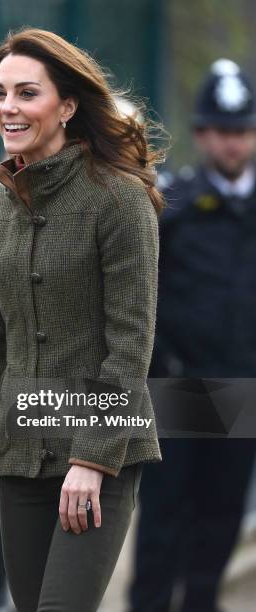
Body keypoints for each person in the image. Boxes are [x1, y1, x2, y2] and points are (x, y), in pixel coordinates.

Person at [0, 27, 165, 612]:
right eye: (0, 93)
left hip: (100, 456)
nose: (7, 108)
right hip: (20, 451)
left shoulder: (118, 199)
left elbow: (130, 346)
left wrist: (90, 458)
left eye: (27, 93)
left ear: (66, 106)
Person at [129, 59, 256, 612]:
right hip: (180, 388)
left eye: (243, 131)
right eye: (222, 131)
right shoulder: (173, 206)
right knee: (164, 524)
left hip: (241, 385)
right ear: (202, 134)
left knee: (221, 520)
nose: (233, 144)